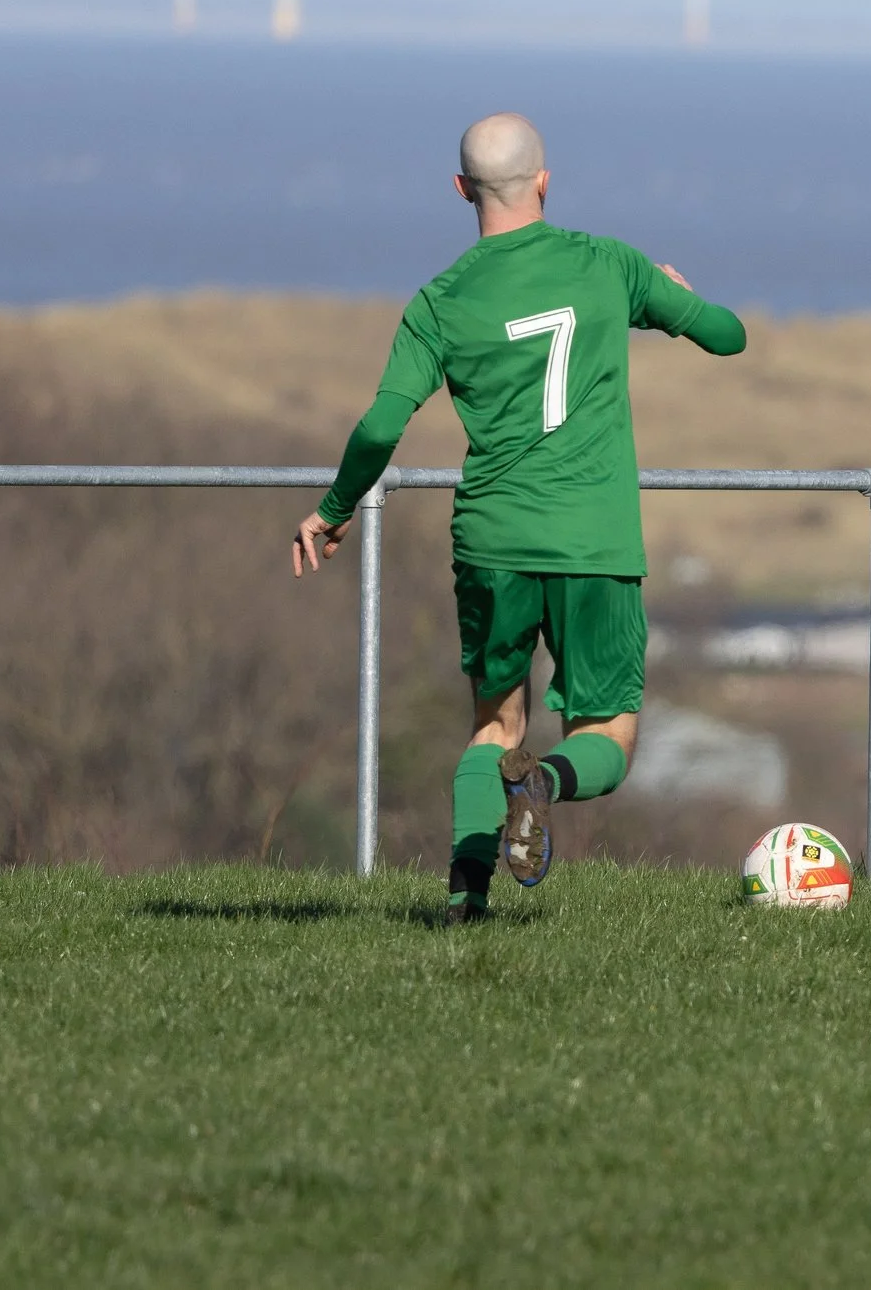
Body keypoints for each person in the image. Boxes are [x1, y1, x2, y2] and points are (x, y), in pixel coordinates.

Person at [292, 113, 747, 924]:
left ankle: (467, 896)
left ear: (461, 190)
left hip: (492, 542)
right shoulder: (609, 263)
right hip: (595, 542)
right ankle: (546, 786)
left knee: (493, 726)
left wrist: (332, 512)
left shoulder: (439, 302)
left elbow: (378, 428)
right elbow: (728, 337)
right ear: (544, 180)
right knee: (607, 733)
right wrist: (677, 293)